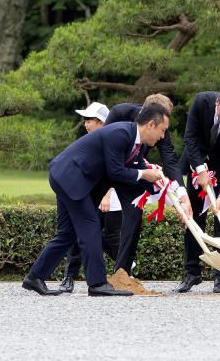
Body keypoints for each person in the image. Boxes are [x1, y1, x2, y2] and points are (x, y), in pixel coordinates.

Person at [22, 104, 168, 296]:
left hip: (68, 177)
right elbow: (116, 172)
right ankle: (97, 283)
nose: (163, 136)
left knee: (68, 233)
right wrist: (144, 174)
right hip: (70, 177)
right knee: (90, 225)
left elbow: (138, 169)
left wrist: (161, 186)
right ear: (150, 124)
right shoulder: (121, 133)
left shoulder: (135, 143)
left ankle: (34, 277)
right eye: (163, 130)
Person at [170, 86, 220, 294]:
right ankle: (191, 273)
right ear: (217, 102)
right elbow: (190, 138)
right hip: (198, 164)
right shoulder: (200, 102)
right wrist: (200, 170)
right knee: (194, 219)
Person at [92, 94, 182, 281]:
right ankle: (70, 274)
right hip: (105, 170)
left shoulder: (160, 124)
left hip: (132, 171)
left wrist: (182, 192)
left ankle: (123, 272)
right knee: (86, 217)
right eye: (163, 119)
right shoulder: (119, 113)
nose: (164, 130)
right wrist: (106, 193)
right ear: (151, 117)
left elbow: (169, 157)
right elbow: (103, 151)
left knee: (134, 212)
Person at [58, 101, 122, 293]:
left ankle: (123, 270)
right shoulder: (84, 143)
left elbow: (115, 171)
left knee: (107, 238)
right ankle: (69, 276)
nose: (86, 124)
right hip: (84, 196)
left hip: (107, 199)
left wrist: (107, 195)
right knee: (79, 235)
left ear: (103, 123)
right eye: (85, 120)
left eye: (90, 120)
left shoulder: (113, 141)